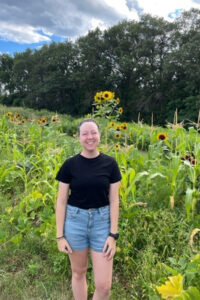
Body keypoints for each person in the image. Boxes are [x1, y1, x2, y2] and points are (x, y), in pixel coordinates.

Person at [55, 118, 121, 300]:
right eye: (85, 133)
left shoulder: (110, 164)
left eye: (93, 132)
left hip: (102, 223)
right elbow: (61, 202)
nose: (90, 137)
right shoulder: (69, 165)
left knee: (104, 285)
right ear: (78, 138)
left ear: (99, 135)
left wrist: (113, 235)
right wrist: (60, 236)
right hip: (75, 222)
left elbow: (114, 200)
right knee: (78, 272)